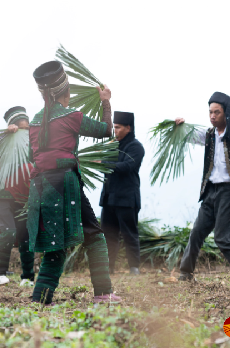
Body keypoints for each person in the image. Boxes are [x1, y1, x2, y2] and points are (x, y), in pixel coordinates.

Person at [27, 61, 120, 304]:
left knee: (55, 246)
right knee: (94, 234)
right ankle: (103, 293)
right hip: (64, 183)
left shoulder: (34, 121)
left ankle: (40, 299)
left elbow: (32, 156)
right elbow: (106, 130)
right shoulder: (71, 116)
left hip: (40, 185)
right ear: (67, 94)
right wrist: (105, 101)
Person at [176, 92, 230, 282]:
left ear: (226, 114)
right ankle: (185, 273)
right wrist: (180, 126)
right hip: (210, 191)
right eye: (210, 112)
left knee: (223, 238)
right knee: (197, 231)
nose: (212, 116)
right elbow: (191, 136)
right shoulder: (209, 135)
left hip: (229, 192)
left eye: (217, 112)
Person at [0, 107, 35, 286]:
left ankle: (28, 276)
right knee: (8, 232)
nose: (24, 131)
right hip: (3, 195)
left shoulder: (32, 141)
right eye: (20, 128)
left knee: (26, 235)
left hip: (23, 195)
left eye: (27, 128)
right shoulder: (4, 140)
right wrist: (5, 134)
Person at [99, 111, 145, 275]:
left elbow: (127, 167)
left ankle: (134, 269)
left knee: (129, 235)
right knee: (108, 236)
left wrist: (102, 162)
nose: (115, 130)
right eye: (114, 127)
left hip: (126, 199)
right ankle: (108, 268)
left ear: (128, 128)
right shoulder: (111, 144)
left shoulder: (136, 147)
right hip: (109, 198)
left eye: (118, 127)